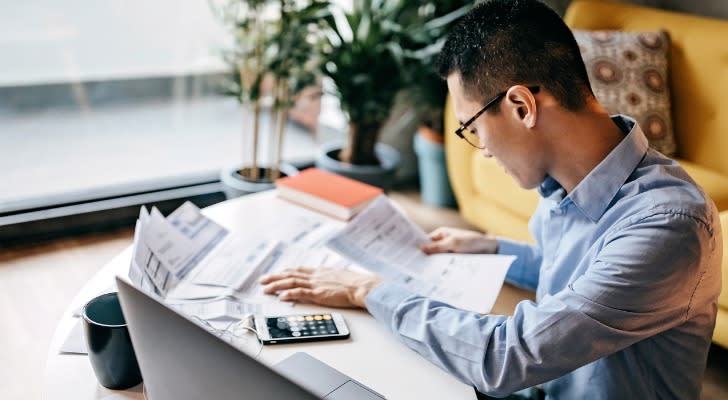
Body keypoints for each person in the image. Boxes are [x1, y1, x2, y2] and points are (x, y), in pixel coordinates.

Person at [260, 0, 723, 398]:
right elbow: (577, 271)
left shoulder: (667, 225)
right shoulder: (573, 179)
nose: (480, 147)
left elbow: (508, 357)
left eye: (472, 127)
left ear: (522, 106)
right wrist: (491, 247)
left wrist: (368, 290)